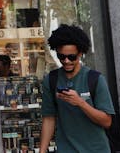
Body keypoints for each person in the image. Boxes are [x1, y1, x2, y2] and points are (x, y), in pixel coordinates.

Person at [38, 24, 114, 153]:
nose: (66, 61)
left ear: (80, 54)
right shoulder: (51, 80)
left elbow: (107, 122)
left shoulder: (95, 79)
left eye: (71, 57)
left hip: (96, 149)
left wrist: (80, 103)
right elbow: (49, 118)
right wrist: (42, 150)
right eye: (61, 56)